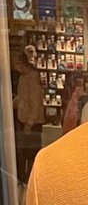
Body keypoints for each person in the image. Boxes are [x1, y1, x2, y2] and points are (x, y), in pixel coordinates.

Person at [13, 50, 44, 183]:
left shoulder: (32, 78)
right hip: (23, 118)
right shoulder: (22, 78)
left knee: (31, 152)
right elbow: (22, 97)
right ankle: (24, 178)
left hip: (32, 122)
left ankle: (31, 179)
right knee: (23, 151)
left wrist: (29, 123)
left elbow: (35, 102)